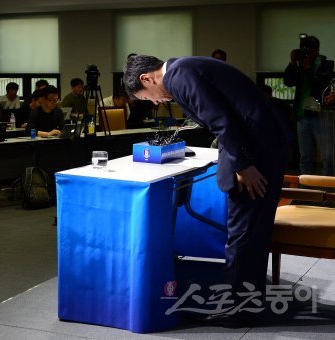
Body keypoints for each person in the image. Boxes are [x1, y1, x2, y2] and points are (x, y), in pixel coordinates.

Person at [124, 54, 289, 327]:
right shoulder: (185, 67)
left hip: (253, 151)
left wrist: (242, 164)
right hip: (264, 143)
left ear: (147, 78)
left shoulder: (177, 75)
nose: (155, 102)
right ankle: (249, 303)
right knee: (254, 231)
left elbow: (221, 120)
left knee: (242, 233)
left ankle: (239, 310)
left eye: (146, 97)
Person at [284, 35, 334, 175]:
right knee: (305, 157)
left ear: (316, 50)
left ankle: (328, 190)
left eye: (309, 50)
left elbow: (321, 86)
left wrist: (307, 69)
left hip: (320, 115)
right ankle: (306, 190)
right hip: (302, 116)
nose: (306, 54)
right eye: (303, 50)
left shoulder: (326, 64)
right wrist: (292, 63)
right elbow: (288, 82)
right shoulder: (299, 65)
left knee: (326, 156)